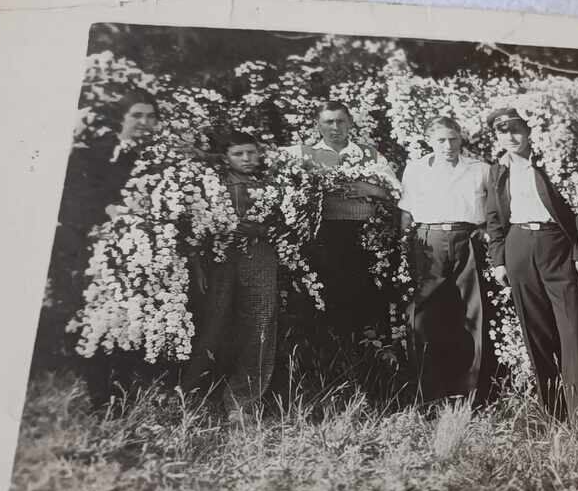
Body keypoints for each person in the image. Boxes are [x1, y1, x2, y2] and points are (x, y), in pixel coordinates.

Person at [35, 89, 160, 409]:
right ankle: (100, 397)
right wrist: (107, 216)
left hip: (145, 250)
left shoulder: (163, 160)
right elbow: (75, 202)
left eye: (151, 116)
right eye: (137, 116)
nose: (145, 123)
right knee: (98, 321)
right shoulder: (95, 154)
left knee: (134, 322)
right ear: (122, 119)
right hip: (98, 250)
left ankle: (124, 394)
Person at [484, 108, 578, 419]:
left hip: (557, 245)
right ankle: (553, 412)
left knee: (571, 328)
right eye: (502, 131)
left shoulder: (553, 163)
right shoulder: (498, 171)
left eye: (516, 129)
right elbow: (494, 218)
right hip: (519, 246)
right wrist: (499, 260)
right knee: (535, 332)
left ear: (529, 130)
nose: (510, 137)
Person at [182, 130, 280, 416]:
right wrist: (198, 265)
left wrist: (261, 229)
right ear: (225, 158)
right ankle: (193, 396)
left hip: (260, 257)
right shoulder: (212, 184)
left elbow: (285, 223)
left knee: (260, 323)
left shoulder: (273, 183)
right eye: (238, 154)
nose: (246, 159)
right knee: (214, 323)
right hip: (220, 259)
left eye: (251, 152)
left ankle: (243, 400)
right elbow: (196, 226)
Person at [283, 101, 400, 337]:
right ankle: (333, 362)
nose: (335, 127)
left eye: (340, 121)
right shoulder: (305, 155)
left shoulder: (369, 154)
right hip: (323, 237)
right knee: (328, 299)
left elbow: (395, 193)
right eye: (328, 122)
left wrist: (368, 188)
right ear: (318, 125)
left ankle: (371, 360)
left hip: (366, 236)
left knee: (366, 298)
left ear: (350, 124)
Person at [398, 116, 492, 403]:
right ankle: (429, 393)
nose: (448, 145)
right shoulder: (415, 170)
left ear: (461, 138)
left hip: (470, 241)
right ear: (429, 141)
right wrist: (405, 249)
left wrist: (486, 234)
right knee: (424, 316)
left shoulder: (480, 169)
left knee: (474, 314)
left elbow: (493, 211)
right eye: (441, 140)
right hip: (429, 243)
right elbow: (406, 213)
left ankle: (472, 393)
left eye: (453, 138)